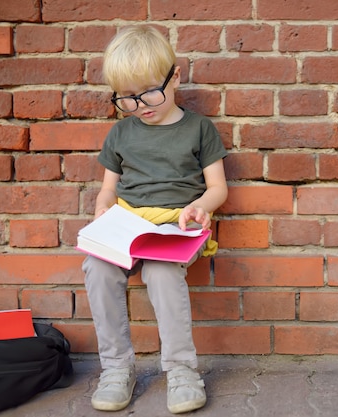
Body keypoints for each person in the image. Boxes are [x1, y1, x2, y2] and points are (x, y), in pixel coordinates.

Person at [82, 25, 228, 414]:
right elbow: (108, 189)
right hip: (129, 223)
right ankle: (116, 369)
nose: (140, 105)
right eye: (126, 99)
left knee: (162, 273)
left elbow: (218, 187)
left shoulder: (199, 128)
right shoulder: (120, 132)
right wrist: (102, 209)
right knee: (97, 268)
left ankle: (181, 371)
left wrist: (201, 206)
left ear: (175, 76)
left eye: (148, 91)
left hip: (174, 226)